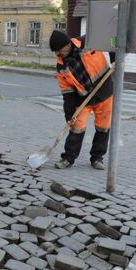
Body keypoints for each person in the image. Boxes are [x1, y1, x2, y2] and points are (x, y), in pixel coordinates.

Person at [49, 30, 113, 170]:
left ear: (67, 45)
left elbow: (111, 40)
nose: (57, 55)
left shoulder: (88, 42)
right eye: (55, 52)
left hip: (104, 91)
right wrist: (69, 116)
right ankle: (68, 158)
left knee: (103, 127)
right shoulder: (61, 66)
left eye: (59, 51)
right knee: (76, 127)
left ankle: (97, 158)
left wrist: (115, 59)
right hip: (82, 98)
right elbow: (67, 94)